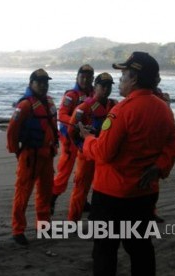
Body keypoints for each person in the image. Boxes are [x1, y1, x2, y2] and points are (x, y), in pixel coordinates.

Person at [78, 52, 175, 276]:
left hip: (111, 196)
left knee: (105, 250)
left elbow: (104, 152)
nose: (120, 80)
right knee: (141, 249)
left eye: (124, 74)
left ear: (134, 79)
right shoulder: (163, 108)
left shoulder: (121, 111)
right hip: (144, 194)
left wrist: (87, 140)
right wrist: (161, 166)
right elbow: (174, 141)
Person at [7, 69, 58, 245]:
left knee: (45, 192)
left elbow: (53, 125)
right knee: (23, 193)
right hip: (30, 155)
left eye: (46, 82)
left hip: (47, 154)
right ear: (31, 84)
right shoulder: (25, 105)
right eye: (40, 82)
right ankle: (18, 229)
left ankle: (43, 225)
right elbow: (12, 130)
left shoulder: (49, 102)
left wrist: (55, 144)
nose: (44, 85)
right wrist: (16, 151)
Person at [66, 73, 118, 222]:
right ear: (95, 87)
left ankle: (99, 220)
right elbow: (72, 132)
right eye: (103, 86)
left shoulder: (114, 106)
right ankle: (72, 221)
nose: (106, 89)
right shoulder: (83, 108)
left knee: (104, 190)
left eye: (109, 86)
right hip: (88, 155)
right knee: (81, 189)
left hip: (105, 154)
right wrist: (82, 147)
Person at [51, 64, 94, 216]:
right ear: (77, 77)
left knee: (83, 173)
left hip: (86, 137)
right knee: (65, 170)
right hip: (70, 137)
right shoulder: (71, 95)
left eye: (88, 77)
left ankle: (81, 200)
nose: (85, 80)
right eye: (82, 77)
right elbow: (61, 115)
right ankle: (52, 197)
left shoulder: (95, 94)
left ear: (93, 79)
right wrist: (77, 122)